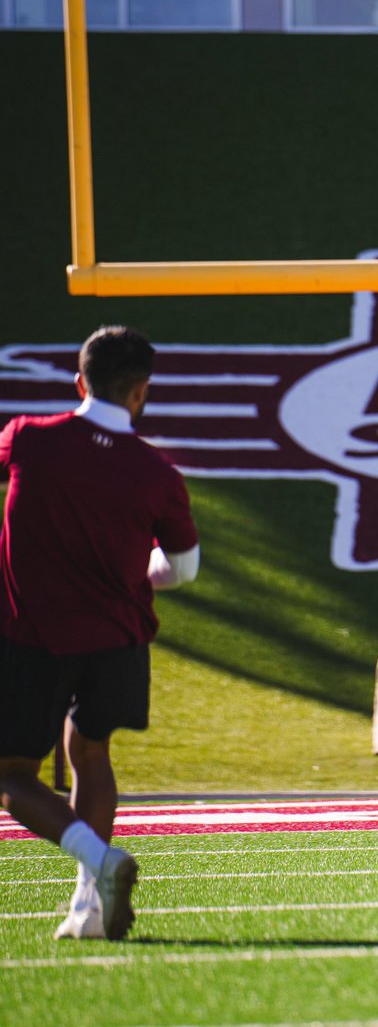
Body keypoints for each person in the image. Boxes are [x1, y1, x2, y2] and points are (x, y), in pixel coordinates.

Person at [0, 326, 199, 939]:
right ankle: (87, 909)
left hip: (33, 633)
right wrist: (131, 565)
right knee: (90, 752)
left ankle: (102, 862)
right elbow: (182, 569)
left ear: (79, 381)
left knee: (10, 777)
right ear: (141, 393)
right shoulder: (157, 471)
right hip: (118, 637)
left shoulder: (28, 439)